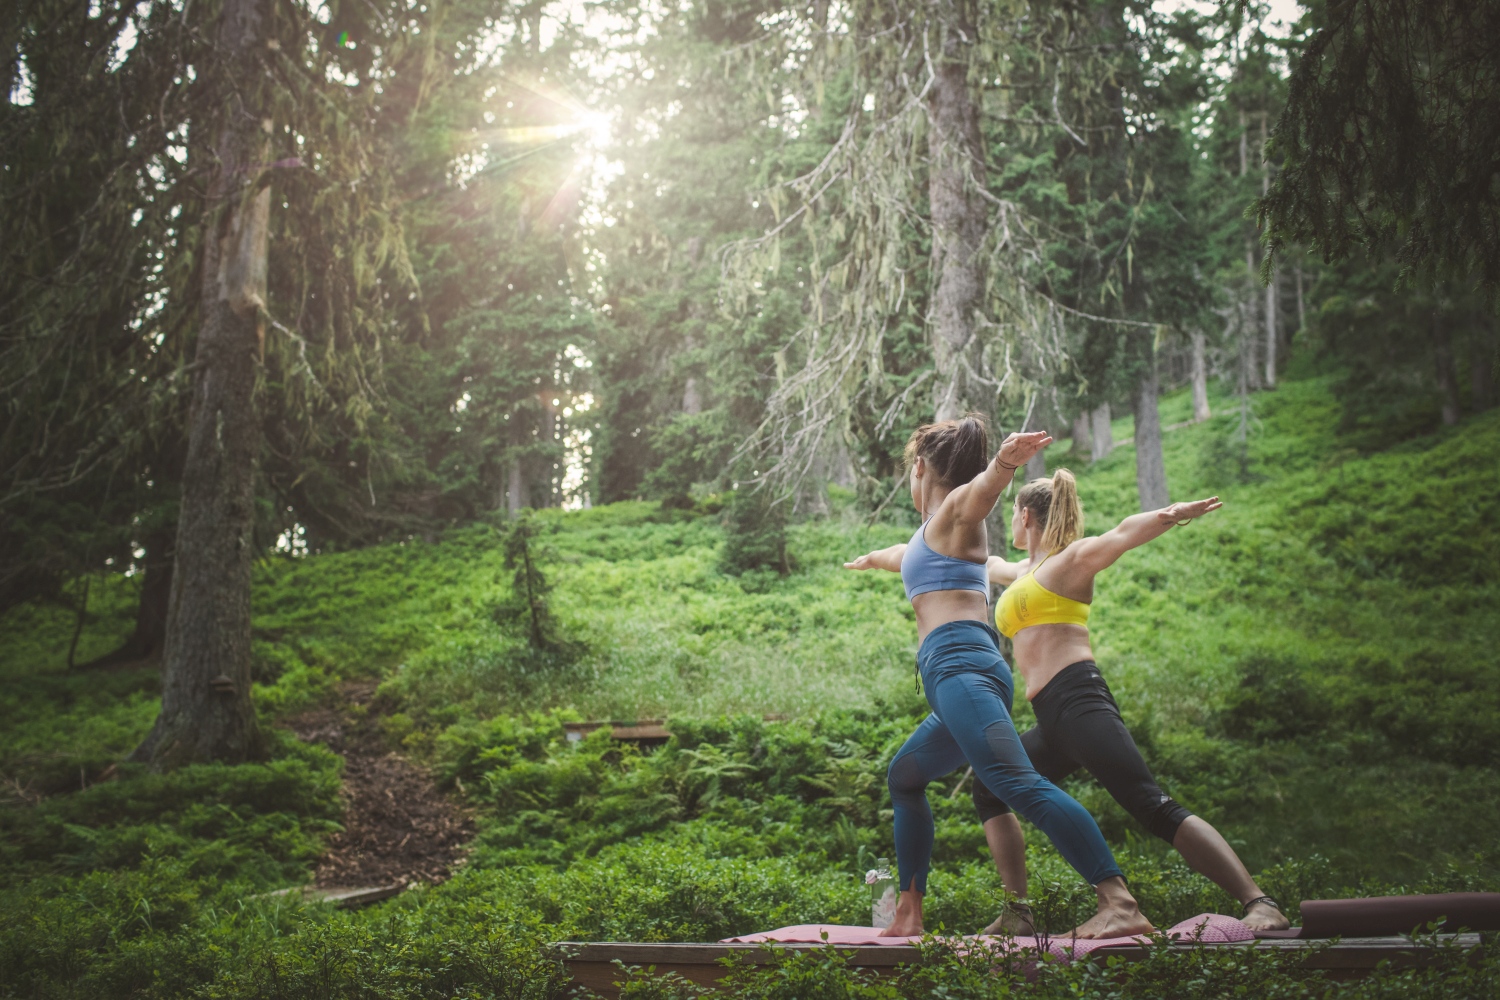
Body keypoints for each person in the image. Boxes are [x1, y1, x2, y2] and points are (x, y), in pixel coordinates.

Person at [849, 468, 1290, 935]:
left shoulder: (1069, 561)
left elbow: (1122, 534)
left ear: (1024, 516)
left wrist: (1173, 514)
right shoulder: (1022, 571)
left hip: (1080, 701)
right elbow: (929, 556)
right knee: (989, 789)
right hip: (1051, 717)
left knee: (1151, 805)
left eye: (1013, 518)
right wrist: (875, 559)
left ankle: (1258, 902)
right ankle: (1018, 913)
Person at [843, 416, 1152, 939]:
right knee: (905, 777)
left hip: (963, 668)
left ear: (919, 469)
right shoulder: (932, 534)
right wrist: (872, 559)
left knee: (1016, 784)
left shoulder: (958, 510)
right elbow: (903, 556)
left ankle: (1118, 901)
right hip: (957, 677)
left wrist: (1005, 463)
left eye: (911, 472)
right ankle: (908, 911)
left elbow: (982, 493)